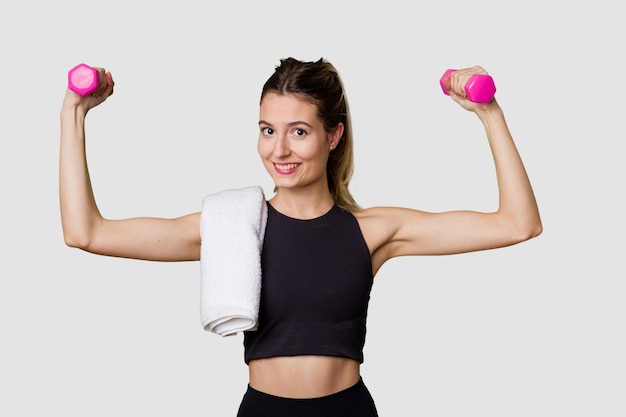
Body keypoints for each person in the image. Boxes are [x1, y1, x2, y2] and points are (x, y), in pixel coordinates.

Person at [59, 57, 542, 416]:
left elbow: (517, 224)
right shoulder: (232, 227)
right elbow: (87, 232)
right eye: (268, 130)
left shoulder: (374, 230)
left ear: (334, 136)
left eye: (299, 132)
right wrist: (73, 113)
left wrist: (489, 113)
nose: (279, 149)